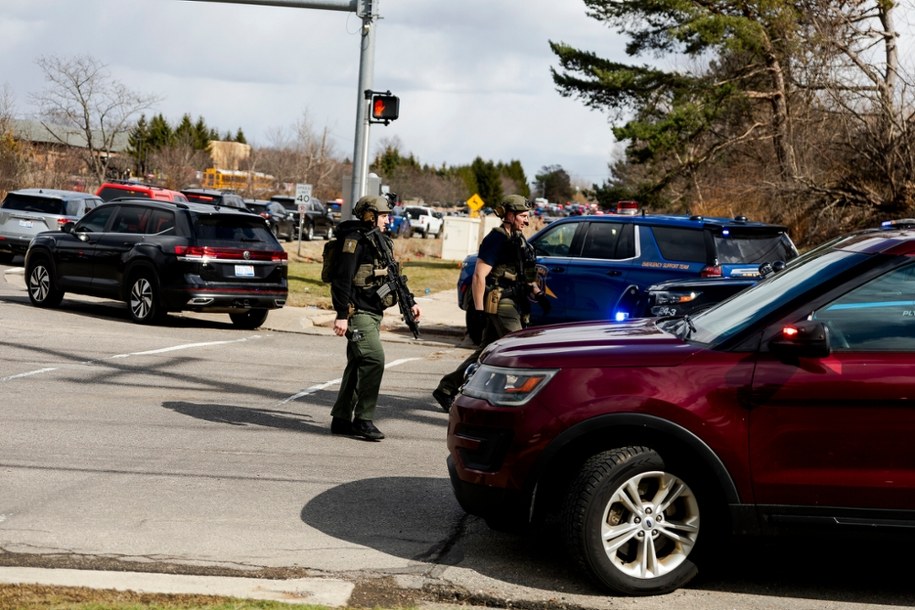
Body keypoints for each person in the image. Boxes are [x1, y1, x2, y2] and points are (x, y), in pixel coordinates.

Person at [432, 194, 541, 412]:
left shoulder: (517, 239)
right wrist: (479, 311)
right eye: (522, 216)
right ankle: (518, 398)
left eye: (527, 216)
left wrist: (535, 290)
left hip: (514, 300)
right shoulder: (496, 238)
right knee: (518, 348)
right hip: (500, 301)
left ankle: (447, 388)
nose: (527, 221)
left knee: (486, 352)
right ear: (509, 215)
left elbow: (523, 270)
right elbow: (479, 276)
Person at [330, 195, 422, 441]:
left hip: (373, 313)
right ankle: (363, 419)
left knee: (358, 364)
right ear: (370, 216)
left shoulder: (380, 241)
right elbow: (342, 279)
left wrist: (410, 301)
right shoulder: (355, 241)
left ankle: (341, 419)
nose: (388, 220)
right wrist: (341, 315)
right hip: (357, 313)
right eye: (383, 216)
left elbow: (393, 275)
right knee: (373, 360)